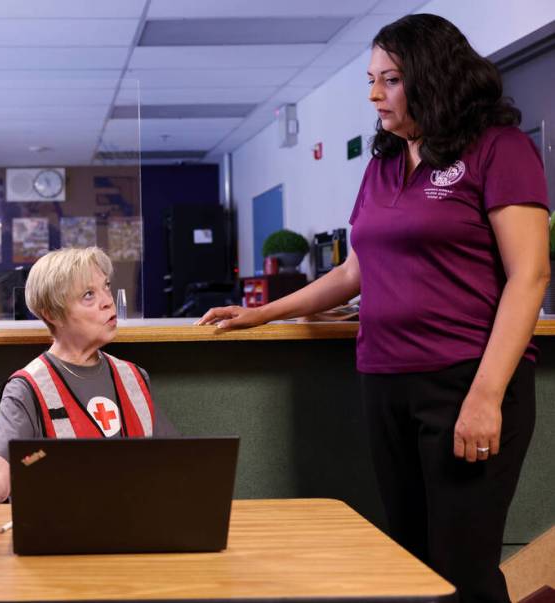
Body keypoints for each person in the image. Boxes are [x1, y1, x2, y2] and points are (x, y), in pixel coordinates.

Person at [198, 14, 548, 603]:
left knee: (463, 569)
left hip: (466, 380)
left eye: (389, 79)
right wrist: (260, 313)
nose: (372, 94)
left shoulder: (498, 149)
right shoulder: (385, 161)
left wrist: (486, 397)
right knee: (410, 565)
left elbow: (529, 274)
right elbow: (352, 271)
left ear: (432, 77)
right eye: (371, 79)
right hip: (385, 380)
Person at [0, 247, 178, 514]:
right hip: (67, 535)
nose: (108, 300)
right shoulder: (28, 387)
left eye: (106, 287)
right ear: (52, 313)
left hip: (140, 526)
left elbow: (175, 459)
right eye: (88, 295)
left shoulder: (133, 376)